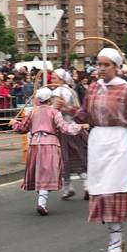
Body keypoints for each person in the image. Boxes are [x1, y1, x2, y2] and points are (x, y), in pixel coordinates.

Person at [73, 48, 127, 252]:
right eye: (99, 64)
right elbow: (83, 115)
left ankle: (115, 240)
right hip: (98, 142)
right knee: (102, 190)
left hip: (119, 142)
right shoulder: (93, 88)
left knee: (116, 189)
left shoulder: (126, 90)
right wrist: (66, 109)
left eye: (106, 65)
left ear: (116, 67)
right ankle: (115, 235)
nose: (101, 68)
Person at [10, 87, 88, 215]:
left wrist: (14, 123)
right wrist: (80, 127)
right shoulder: (54, 112)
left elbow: (22, 128)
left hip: (35, 144)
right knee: (47, 174)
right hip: (50, 144)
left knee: (39, 173)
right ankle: (42, 202)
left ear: (38, 100)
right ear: (49, 99)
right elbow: (64, 128)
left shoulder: (32, 112)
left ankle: (43, 198)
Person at [50, 68, 89, 201]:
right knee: (78, 156)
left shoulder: (58, 92)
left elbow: (55, 112)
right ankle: (85, 185)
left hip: (63, 130)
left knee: (64, 159)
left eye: (54, 78)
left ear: (62, 79)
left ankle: (69, 187)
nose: (51, 80)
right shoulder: (71, 90)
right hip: (75, 127)